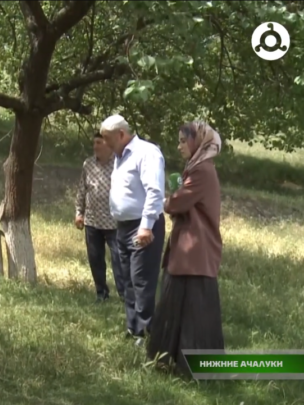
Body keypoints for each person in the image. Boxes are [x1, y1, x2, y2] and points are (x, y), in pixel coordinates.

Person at [147, 121, 224, 376]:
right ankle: (173, 362)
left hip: (194, 250)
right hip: (190, 248)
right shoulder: (196, 166)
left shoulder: (201, 169)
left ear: (197, 142)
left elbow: (179, 202)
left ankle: (188, 367)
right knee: (182, 305)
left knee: (192, 309)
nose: (179, 146)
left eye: (183, 140)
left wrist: (164, 200)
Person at [99, 114, 166, 346]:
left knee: (141, 279)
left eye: (107, 139)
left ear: (121, 134)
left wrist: (146, 227)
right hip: (124, 227)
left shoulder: (146, 153)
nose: (105, 144)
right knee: (126, 278)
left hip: (142, 227)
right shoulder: (120, 156)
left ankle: (149, 335)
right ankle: (134, 328)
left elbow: (155, 192)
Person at [75, 131, 124, 302]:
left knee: (119, 260)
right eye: (94, 142)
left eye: (99, 142)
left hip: (114, 222)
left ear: (108, 145)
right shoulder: (88, 164)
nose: (95, 146)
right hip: (92, 221)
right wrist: (79, 213)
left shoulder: (119, 163)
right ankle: (101, 293)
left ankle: (124, 294)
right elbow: (82, 189)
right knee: (95, 259)